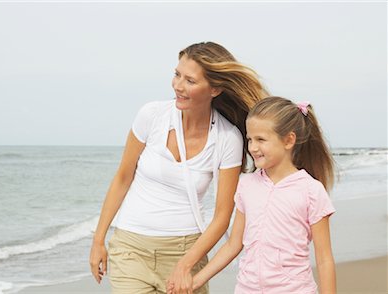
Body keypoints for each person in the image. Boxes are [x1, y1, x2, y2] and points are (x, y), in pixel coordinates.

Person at [89, 41, 268, 294]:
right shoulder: (151, 116)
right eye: (177, 75)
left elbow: (222, 216)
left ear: (215, 89)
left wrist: (185, 265)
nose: (178, 86)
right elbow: (122, 178)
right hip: (130, 248)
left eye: (190, 81)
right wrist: (98, 240)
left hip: (186, 252)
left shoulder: (227, 138)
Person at [184, 96, 336, 294]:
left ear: (289, 140)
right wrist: (195, 282)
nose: (253, 147)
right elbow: (233, 245)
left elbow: (324, 259)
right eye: (249, 139)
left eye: (261, 140)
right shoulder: (246, 185)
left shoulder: (311, 191)